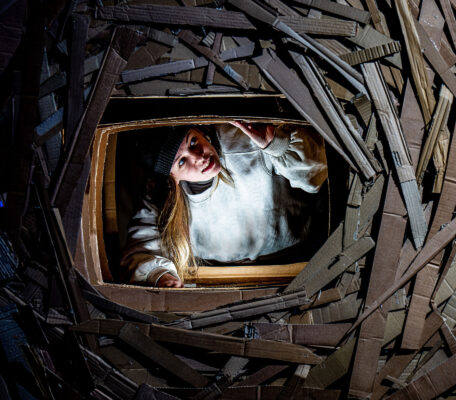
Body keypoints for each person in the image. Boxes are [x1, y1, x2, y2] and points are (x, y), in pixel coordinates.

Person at [120, 122, 328, 287]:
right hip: (224, 278)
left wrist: (276, 144)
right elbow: (142, 248)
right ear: (171, 178)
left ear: (200, 132)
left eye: (193, 142)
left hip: (301, 260)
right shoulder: (163, 200)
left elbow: (316, 177)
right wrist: (160, 276)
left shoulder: (244, 138)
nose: (199, 156)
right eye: (182, 162)